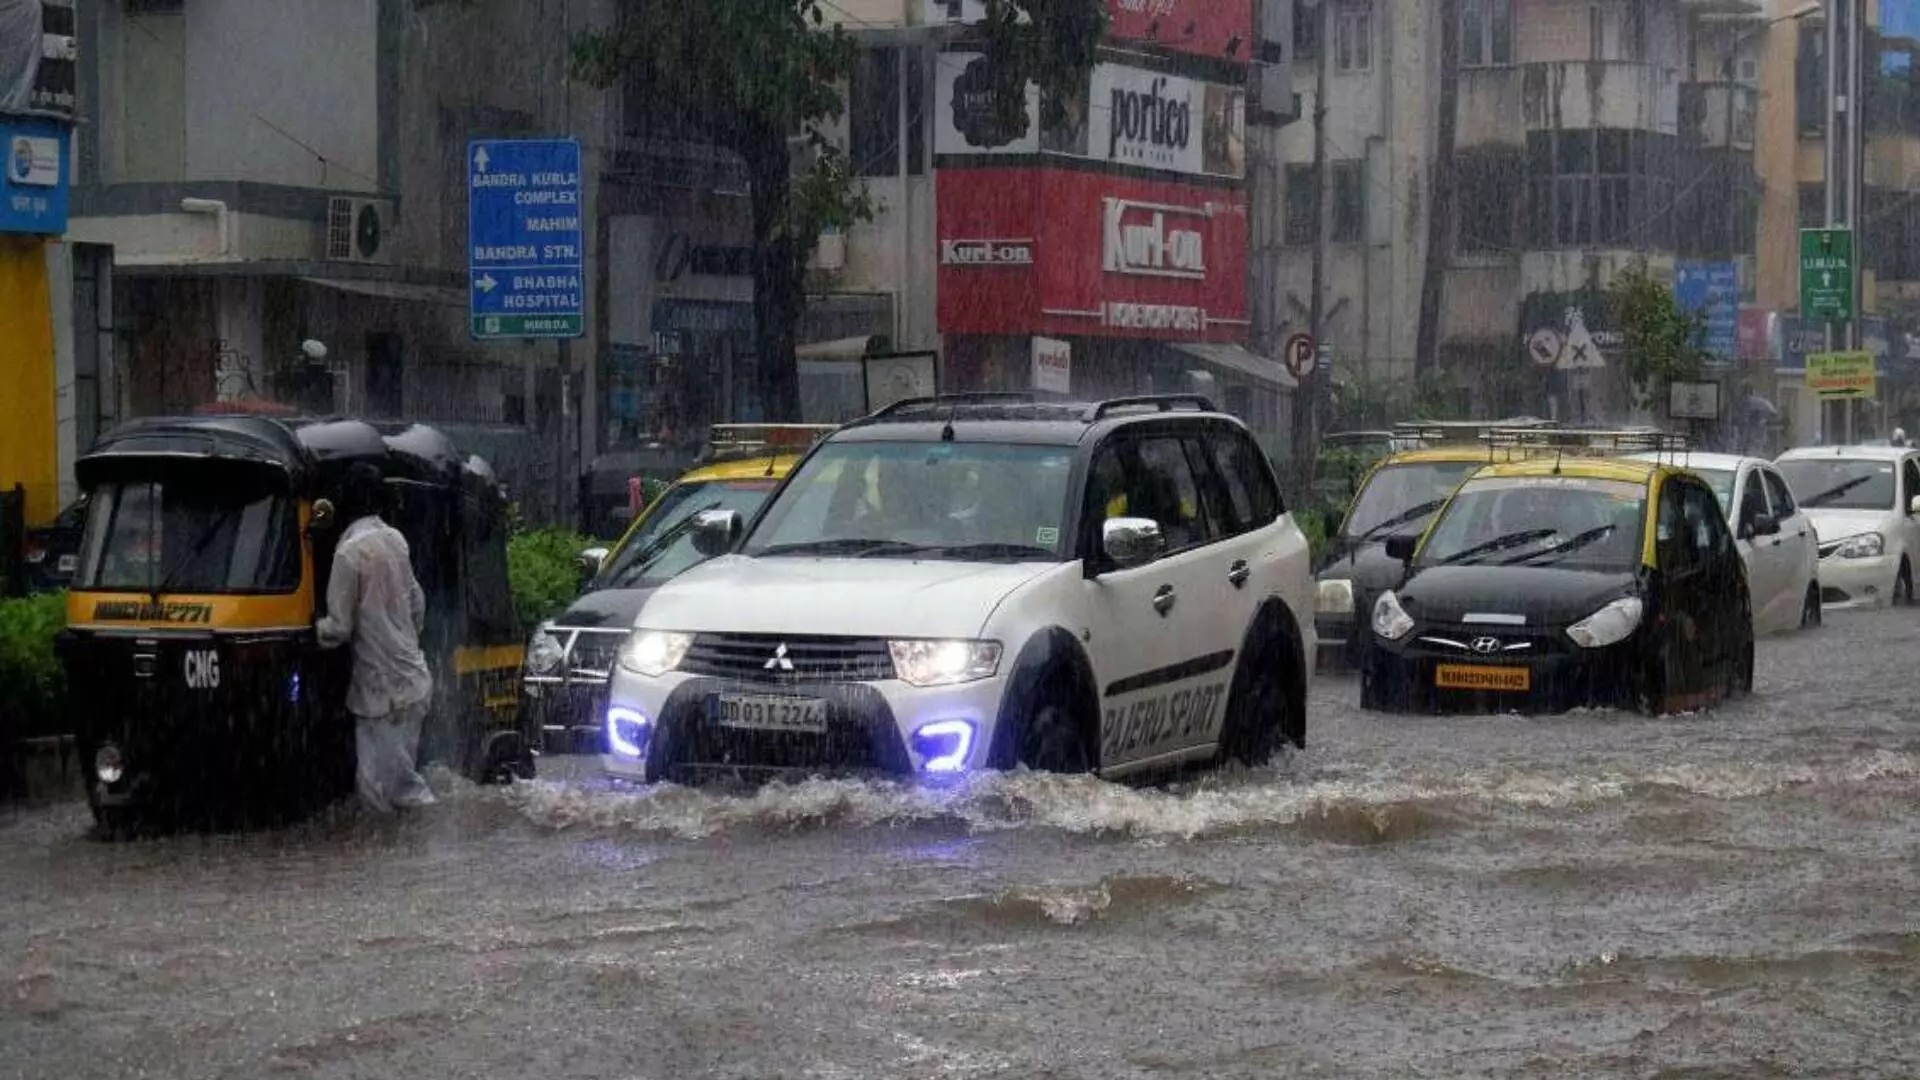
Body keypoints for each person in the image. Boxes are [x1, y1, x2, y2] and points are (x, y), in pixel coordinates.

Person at [316, 463, 438, 813]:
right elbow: (418, 602)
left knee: (378, 793)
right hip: (413, 681)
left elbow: (338, 628)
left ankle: (424, 851)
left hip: (380, 695)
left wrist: (311, 629)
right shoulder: (396, 540)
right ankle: (425, 851)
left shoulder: (348, 553)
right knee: (401, 784)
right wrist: (406, 641)